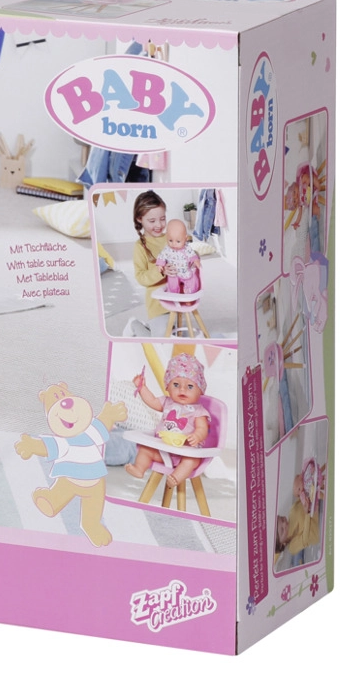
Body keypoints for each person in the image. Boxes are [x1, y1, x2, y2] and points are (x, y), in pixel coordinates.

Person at [124, 353, 211, 488]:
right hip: (163, 450)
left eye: (189, 386)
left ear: (200, 390)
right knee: (145, 449)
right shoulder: (167, 402)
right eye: (176, 384)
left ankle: (175, 478)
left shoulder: (199, 411)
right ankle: (139, 469)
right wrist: (142, 388)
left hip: (184, 452)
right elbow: (152, 401)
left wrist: (197, 436)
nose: (182, 389)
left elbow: (202, 428)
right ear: (168, 386)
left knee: (191, 461)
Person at [127, 190, 170, 336]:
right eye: (152, 221)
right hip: (158, 306)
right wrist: (161, 270)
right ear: (140, 219)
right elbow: (141, 277)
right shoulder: (140, 246)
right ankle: (134, 325)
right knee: (159, 343)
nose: (159, 225)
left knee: (176, 337)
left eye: (162, 219)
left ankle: (149, 328)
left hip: (176, 300)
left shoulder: (170, 238)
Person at [155, 218, 201, 294]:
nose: (174, 244)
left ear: (185, 239)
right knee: (172, 285)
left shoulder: (187, 248)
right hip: (173, 273)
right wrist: (160, 265)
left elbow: (192, 255)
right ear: (167, 237)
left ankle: (190, 293)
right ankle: (174, 294)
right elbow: (161, 256)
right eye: (170, 240)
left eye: (178, 241)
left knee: (192, 281)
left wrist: (196, 261)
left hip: (185, 271)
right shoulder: (167, 249)